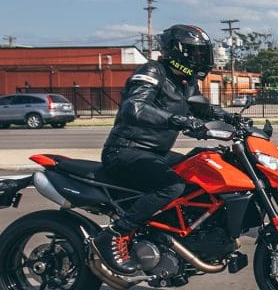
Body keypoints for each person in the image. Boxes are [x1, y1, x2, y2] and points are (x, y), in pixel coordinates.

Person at [90, 24, 240, 275]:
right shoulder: (152, 71)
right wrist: (176, 120)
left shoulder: (184, 81)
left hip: (155, 153)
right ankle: (116, 233)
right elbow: (134, 107)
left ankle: (175, 237)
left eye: (202, 53)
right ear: (177, 52)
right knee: (173, 185)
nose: (200, 59)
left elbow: (200, 108)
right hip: (125, 151)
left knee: (201, 172)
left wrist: (233, 119)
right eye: (195, 53)